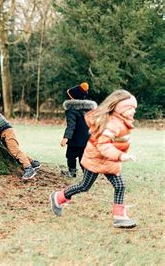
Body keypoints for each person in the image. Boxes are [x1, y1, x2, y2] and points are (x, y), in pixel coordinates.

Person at [50, 90, 138, 228]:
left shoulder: (120, 121)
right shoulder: (111, 124)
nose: (133, 111)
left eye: (134, 108)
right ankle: (58, 197)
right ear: (118, 108)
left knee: (120, 185)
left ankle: (119, 217)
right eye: (130, 108)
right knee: (84, 186)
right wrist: (121, 156)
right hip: (97, 159)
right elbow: (103, 146)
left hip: (108, 160)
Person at [60, 82, 97, 178]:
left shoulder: (71, 110)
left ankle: (72, 172)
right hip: (87, 139)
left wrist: (66, 137)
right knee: (83, 157)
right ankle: (87, 175)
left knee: (70, 156)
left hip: (75, 140)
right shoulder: (89, 109)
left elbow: (71, 125)